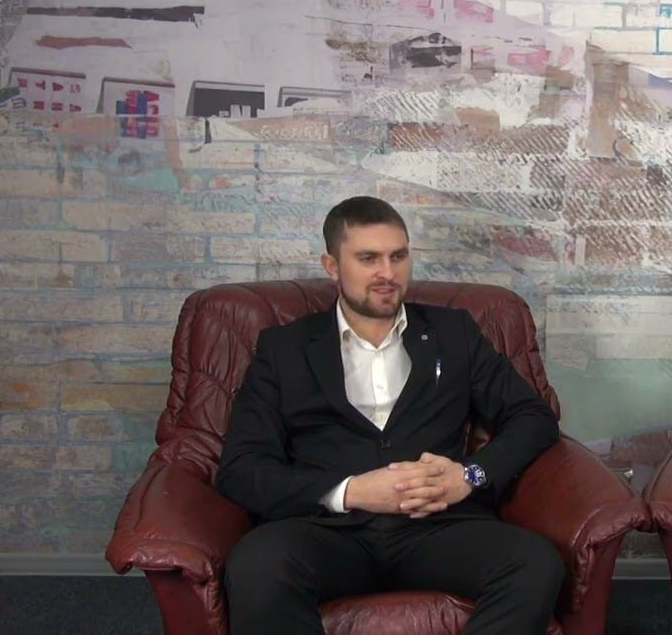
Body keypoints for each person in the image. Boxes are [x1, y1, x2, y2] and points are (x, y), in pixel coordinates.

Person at [216, 196, 563, 634]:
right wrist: (351, 491)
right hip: (326, 532)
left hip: (438, 528)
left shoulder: (453, 333)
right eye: (368, 259)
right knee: (257, 566)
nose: (388, 273)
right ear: (331, 265)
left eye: (398, 256)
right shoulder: (284, 349)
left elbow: (533, 417)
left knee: (535, 563)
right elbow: (242, 468)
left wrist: (469, 476)